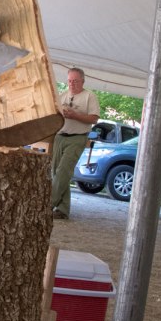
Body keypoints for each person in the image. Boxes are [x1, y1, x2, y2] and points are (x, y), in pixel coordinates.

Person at [51, 67, 100, 219]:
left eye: (76, 81)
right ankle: (63, 209)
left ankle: (48, 204)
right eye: (70, 81)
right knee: (56, 172)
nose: (72, 84)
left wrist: (75, 115)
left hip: (77, 137)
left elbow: (94, 118)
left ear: (83, 81)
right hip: (60, 135)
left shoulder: (89, 96)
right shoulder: (62, 95)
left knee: (63, 172)